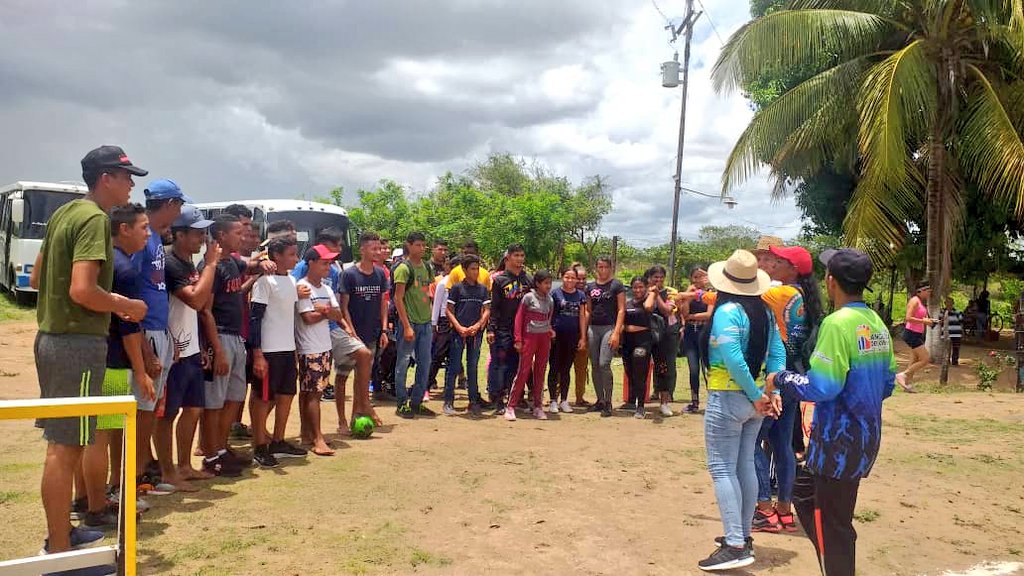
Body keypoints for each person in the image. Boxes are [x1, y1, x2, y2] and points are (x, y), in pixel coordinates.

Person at [30, 145, 148, 574]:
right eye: (126, 176)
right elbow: (83, 290)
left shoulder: (65, 213)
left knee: (68, 443)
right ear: (105, 179)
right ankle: (60, 551)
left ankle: (62, 532)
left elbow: (38, 276)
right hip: (76, 344)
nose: (132, 184)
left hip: (54, 338)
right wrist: (124, 304)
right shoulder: (95, 219)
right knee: (65, 448)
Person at [768, 248, 896, 576]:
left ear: (831, 282)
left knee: (835, 527)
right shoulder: (876, 323)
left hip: (837, 443)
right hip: (865, 437)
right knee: (805, 492)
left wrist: (781, 377)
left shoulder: (837, 324)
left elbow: (822, 387)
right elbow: (888, 383)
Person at [698, 249, 784, 572]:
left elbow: (732, 358)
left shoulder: (727, 312)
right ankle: (743, 535)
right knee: (744, 464)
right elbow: (778, 353)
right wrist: (767, 392)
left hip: (729, 396)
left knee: (722, 469)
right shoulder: (764, 312)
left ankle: (735, 543)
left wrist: (756, 392)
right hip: (755, 401)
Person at [80, 204, 152, 530]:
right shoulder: (124, 269)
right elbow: (129, 328)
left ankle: (86, 497)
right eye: (143, 228)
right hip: (111, 362)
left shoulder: (106, 260)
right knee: (102, 433)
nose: (148, 235)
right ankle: (99, 504)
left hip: (95, 356)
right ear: (124, 229)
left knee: (88, 434)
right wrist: (141, 371)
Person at [752, 245, 823, 534]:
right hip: (795, 377)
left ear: (792, 269)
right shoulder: (804, 296)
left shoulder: (780, 293)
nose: (771, 264)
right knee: (782, 445)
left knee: (752, 443)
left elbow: (737, 293)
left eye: (778, 261)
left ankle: (763, 509)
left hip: (777, 379)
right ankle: (784, 511)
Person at [161, 206, 226, 487]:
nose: (202, 238)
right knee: (168, 414)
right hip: (173, 351)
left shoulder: (187, 263)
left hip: (191, 350)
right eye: (197, 233)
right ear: (178, 234)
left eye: (204, 233)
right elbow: (197, 302)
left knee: (193, 409)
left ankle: (185, 465)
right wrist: (211, 264)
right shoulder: (171, 264)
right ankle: (167, 472)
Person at [199, 213, 266, 474]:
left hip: (237, 337)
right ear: (221, 236)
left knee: (233, 398)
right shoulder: (211, 268)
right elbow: (206, 310)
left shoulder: (234, 264)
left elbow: (245, 274)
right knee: (214, 402)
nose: (243, 237)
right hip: (221, 336)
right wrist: (217, 349)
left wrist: (261, 266)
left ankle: (222, 448)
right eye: (238, 233)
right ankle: (210, 455)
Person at [132, 179, 186, 493]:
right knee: (141, 412)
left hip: (158, 331)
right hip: (146, 334)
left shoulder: (155, 238)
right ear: (169, 204)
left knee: (151, 411)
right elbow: (130, 289)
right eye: (178, 206)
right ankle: (134, 479)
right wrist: (146, 347)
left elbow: (155, 291)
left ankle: (143, 476)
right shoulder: (142, 239)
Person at [250, 237, 307, 467]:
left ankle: (279, 440)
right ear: (277, 256)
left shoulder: (291, 281)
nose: (296, 258)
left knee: (286, 396)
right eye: (292, 254)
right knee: (263, 398)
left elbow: (288, 316)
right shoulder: (264, 282)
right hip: (269, 350)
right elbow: (255, 319)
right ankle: (259, 445)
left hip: (286, 349)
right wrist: (257, 353)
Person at [296, 245, 346, 456]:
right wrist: (326, 311)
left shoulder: (325, 288)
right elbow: (308, 318)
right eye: (324, 263)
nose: (329, 266)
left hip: (324, 346)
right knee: (313, 393)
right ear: (311, 263)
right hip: (310, 348)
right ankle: (317, 437)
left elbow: (338, 313)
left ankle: (307, 433)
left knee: (311, 392)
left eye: (329, 262)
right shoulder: (302, 287)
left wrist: (322, 310)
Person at [338, 232, 389, 426]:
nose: (377, 252)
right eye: (373, 248)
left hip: (372, 332)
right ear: (362, 250)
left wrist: (384, 330)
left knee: (362, 377)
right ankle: (342, 420)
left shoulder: (380, 274)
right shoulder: (349, 274)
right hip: (351, 335)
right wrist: (351, 331)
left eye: (379, 248)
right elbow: (344, 306)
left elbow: (383, 303)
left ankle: (356, 415)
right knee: (342, 376)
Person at [393, 232, 436, 418]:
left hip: (425, 322)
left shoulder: (427, 267)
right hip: (409, 323)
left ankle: (417, 401)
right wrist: (407, 325)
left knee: (425, 363)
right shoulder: (403, 268)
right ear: (409, 246)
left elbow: (429, 293)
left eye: (423, 245)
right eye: (418, 245)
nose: (422, 248)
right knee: (402, 362)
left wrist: (431, 320)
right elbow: (398, 298)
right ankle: (402, 402)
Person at [487, 244, 532, 414]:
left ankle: (515, 397)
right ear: (508, 258)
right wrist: (491, 329)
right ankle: (498, 399)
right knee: (500, 364)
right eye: (516, 255)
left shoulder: (528, 280)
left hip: (522, 330)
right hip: (502, 329)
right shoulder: (499, 281)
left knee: (516, 364)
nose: (520, 259)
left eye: (522, 255)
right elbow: (494, 307)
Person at [444, 255, 491, 416]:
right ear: (464, 270)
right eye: (472, 268)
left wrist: (477, 326)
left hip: (475, 333)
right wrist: (459, 327)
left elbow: (486, 311)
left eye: (477, 268)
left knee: (472, 366)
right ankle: (448, 401)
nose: (476, 272)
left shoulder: (482, 289)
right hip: (458, 332)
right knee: (454, 366)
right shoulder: (457, 288)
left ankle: (473, 401)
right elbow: (448, 310)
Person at [507, 270, 555, 421]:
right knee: (523, 371)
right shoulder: (528, 298)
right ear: (538, 284)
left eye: (550, 283)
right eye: (546, 283)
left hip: (544, 340)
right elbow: (519, 319)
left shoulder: (550, 300)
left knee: (540, 372)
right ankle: (511, 406)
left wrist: (549, 332)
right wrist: (518, 339)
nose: (548, 286)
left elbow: (549, 318)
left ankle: (538, 406)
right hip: (529, 338)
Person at [585, 256, 626, 417]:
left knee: (604, 363)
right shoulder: (590, 287)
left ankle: (608, 401)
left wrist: (616, 332)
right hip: (593, 328)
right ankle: (600, 400)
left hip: (609, 327)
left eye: (605, 267)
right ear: (596, 268)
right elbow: (588, 310)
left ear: (611, 268)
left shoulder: (616, 285)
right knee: (594, 364)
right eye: (600, 267)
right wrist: (584, 331)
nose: (602, 270)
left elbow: (621, 309)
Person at [547, 267, 588, 414]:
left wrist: (583, 337)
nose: (570, 280)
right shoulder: (555, 293)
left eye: (573, 278)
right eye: (567, 277)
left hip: (573, 337)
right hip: (556, 337)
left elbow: (582, 317)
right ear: (562, 277)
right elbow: (549, 313)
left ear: (577, 279)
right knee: (554, 367)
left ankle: (564, 400)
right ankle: (552, 400)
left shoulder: (581, 295)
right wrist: (550, 329)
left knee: (566, 369)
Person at [622, 276, 657, 419]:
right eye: (635, 287)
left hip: (643, 342)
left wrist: (653, 292)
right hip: (627, 342)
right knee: (630, 372)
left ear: (646, 287)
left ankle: (641, 406)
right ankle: (631, 401)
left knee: (640, 373)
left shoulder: (649, 301)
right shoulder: (628, 303)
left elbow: (648, 308)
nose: (637, 290)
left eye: (641, 287)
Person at [647, 265, 679, 416]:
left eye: (661, 277)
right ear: (649, 278)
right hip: (646, 334)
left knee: (664, 367)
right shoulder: (642, 290)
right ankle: (637, 401)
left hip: (665, 335)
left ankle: (665, 401)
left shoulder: (671, 293)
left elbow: (667, 311)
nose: (658, 280)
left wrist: (657, 294)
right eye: (655, 277)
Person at [680, 266, 712, 413]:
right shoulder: (689, 293)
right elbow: (684, 312)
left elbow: (708, 314)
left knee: (708, 369)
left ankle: (713, 401)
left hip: (704, 332)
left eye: (702, 276)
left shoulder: (711, 294)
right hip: (690, 333)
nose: (699, 280)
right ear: (691, 278)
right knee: (693, 369)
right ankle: (694, 402)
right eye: (696, 277)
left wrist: (691, 317)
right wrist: (688, 296)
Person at [897, 283, 934, 392]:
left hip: (916, 333)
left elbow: (920, 318)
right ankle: (903, 375)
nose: (929, 294)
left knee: (914, 360)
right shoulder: (914, 300)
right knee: (925, 358)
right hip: (911, 333)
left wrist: (928, 321)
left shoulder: (921, 302)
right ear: (920, 291)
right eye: (927, 291)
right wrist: (923, 321)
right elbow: (908, 317)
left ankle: (906, 385)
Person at [571, 264, 592, 407]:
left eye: (584, 278)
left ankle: (580, 397)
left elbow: (588, 312)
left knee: (581, 368)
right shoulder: (562, 292)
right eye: (579, 278)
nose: (582, 281)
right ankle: (558, 396)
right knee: (561, 368)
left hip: (584, 336)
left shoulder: (589, 293)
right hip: (566, 334)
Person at [942, 297, 964, 366]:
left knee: (956, 348)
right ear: (945, 303)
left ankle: (955, 361)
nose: (949, 304)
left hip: (956, 333)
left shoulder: (958, 312)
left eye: (950, 302)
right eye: (947, 302)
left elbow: (961, 323)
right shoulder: (942, 312)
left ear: (953, 303)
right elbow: (940, 322)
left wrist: (962, 332)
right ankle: (946, 361)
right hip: (946, 333)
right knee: (946, 348)